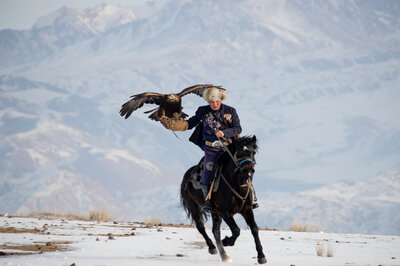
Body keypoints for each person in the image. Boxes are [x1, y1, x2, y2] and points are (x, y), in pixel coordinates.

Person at [160, 87, 242, 213]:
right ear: (207, 101)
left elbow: (237, 129)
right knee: (207, 171)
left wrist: (224, 133)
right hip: (211, 149)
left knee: (244, 168)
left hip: (228, 147)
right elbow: (189, 124)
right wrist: (172, 124)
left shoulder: (230, 111)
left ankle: (249, 199)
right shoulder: (202, 111)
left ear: (221, 99)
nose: (214, 104)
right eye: (211, 102)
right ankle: (207, 202)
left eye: (217, 101)